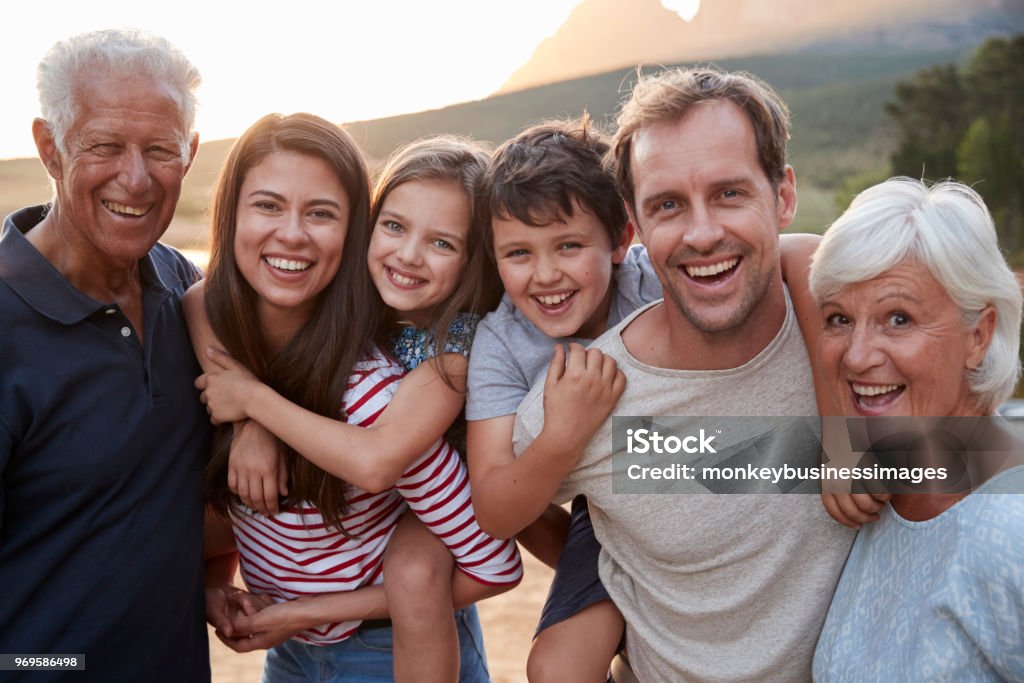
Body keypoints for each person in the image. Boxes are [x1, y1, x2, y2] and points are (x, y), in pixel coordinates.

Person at [511, 67, 856, 681]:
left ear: (783, 197)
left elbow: (963, 470)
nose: (702, 233)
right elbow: (506, 503)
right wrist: (606, 580)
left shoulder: (857, 347)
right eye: (668, 205)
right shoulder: (587, 397)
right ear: (636, 225)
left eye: (729, 193)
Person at [186, 117, 521, 683]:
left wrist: (254, 404)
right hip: (294, 653)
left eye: (319, 212)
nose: (292, 233)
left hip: (384, 652)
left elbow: (488, 559)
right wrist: (249, 423)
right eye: (268, 205)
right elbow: (202, 300)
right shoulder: (219, 335)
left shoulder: (392, 388)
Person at [0, 29, 207, 682]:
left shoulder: (186, 288)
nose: (136, 178)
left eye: (160, 150)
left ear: (191, 154)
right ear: (50, 149)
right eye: (106, 146)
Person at [809, 178, 1024, 681]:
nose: (858, 356)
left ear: (979, 335)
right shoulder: (883, 486)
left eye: (898, 319)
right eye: (839, 319)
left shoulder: (1010, 534)